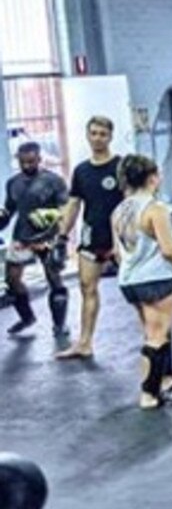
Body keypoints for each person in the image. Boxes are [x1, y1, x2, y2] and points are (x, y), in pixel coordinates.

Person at [111, 154, 172, 409]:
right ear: (152, 177)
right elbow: (169, 250)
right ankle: (148, 394)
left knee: (154, 331)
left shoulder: (119, 210)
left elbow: (118, 253)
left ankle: (166, 379)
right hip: (156, 278)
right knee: (156, 335)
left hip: (130, 280)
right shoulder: (155, 209)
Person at [54, 116, 123, 360]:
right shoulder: (81, 171)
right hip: (92, 237)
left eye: (102, 134)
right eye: (93, 133)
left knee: (138, 290)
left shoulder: (121, 167)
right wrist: (62, 236)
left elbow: (136, 201)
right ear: (87, 135)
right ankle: (84, 343)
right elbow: (73, 205)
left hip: (122, 238)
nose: (97, 138)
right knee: (87, 287)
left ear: (110, 136)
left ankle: (154, 338)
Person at [2, 142, 70, 344]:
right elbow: (9, 209)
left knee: (54, 279)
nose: (26, 165)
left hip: (48, 237)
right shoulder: (13, 182)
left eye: (31, 161)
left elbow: (65, 211)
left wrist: (60, 238)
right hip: (22, 236)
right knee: (12, 279)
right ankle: (27, 317)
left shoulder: (54, 181)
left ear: (39, 159)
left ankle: (59, 325)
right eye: (22, 162)